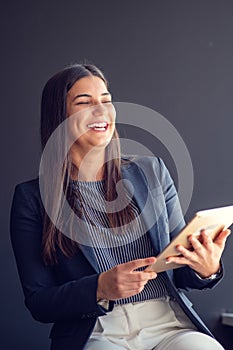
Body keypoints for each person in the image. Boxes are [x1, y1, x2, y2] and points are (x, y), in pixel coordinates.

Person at [10, 63, 230, 350]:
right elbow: (39, 301)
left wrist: (206, 268)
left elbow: (182, 272)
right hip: (97, 331)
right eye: (84, 102)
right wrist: (100, 287)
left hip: (168, 324)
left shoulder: (152, 171)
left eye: (106, 100)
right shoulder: (31, 198)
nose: (101, 111)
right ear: (58, 116)